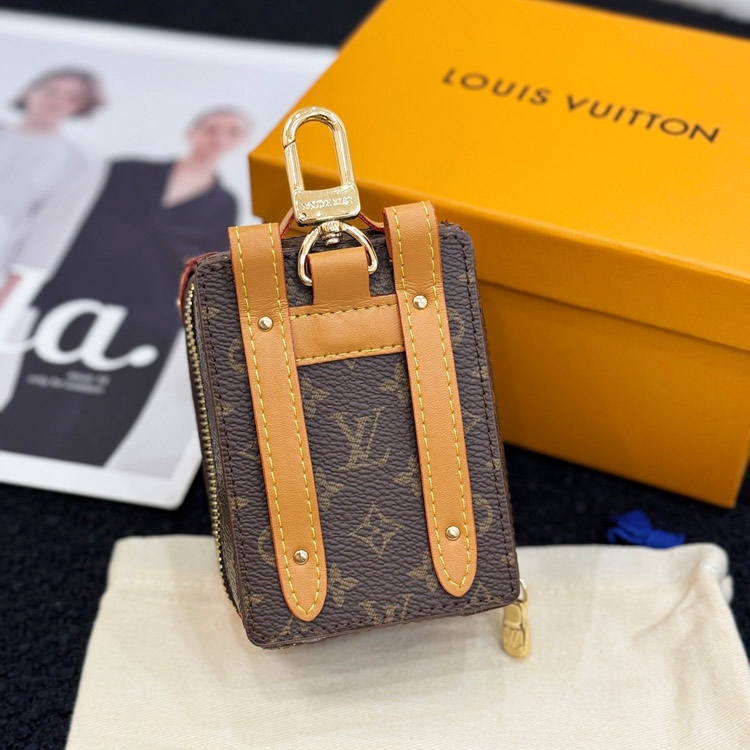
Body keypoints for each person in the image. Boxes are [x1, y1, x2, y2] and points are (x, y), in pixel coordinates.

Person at [0, 108, 250, 466]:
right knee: (40, 397)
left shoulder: (223, 203)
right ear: (193, 131)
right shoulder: (124, 171)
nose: (219, 138)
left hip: (151, 317)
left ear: (239, 142)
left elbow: (207, 267)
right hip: (78, 297)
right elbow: (67, 224)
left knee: (108, 412)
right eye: (212, 128)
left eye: (231, 132)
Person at [0, 69, 106, 408]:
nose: (56, 100)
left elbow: (49, 232)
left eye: (72, 97)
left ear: (81, 108)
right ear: (29, 91)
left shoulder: (79, 161)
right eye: (51, 90)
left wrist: (9, 294)